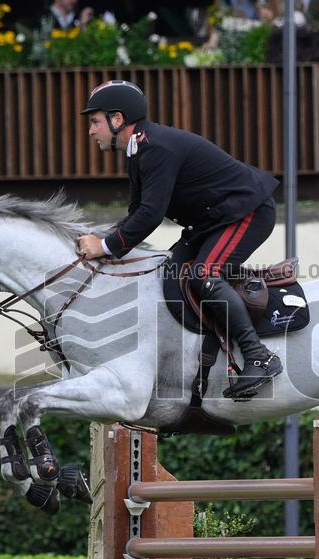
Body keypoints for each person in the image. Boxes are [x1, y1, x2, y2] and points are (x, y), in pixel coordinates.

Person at [75, 80, 283, 400]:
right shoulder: (138, 150)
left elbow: (150, 216)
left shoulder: (154, 148)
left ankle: (259, 356)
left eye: (94, 121)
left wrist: (105, 246)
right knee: (169, 270)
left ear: (118, 120)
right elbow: (136, 212)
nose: (91, 131)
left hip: (247, 211)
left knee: (203, 274)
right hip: (213, 220)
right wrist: (107, 241)